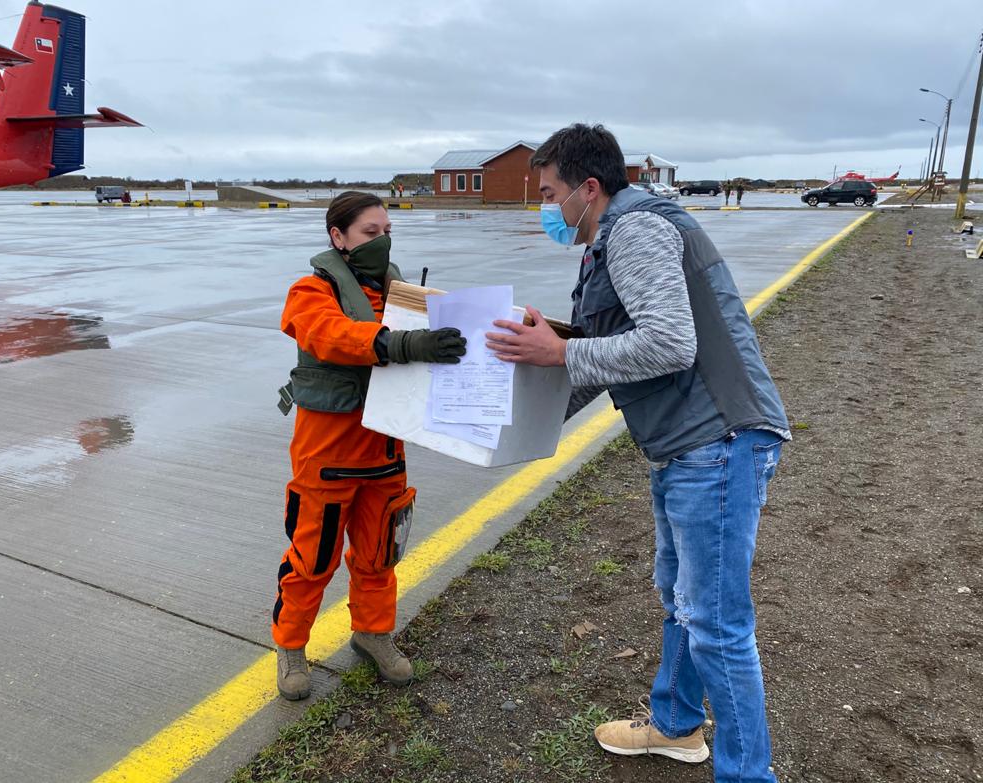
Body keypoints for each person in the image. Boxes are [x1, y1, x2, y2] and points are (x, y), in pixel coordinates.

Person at [485, 124, 789, 783]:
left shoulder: (636, 230)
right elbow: (604, 367)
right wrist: (503, 421)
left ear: (587, 188)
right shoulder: (608, 242)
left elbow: (669, 344)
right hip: (687, 446)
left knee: (717, 624)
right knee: (682, 598)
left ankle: (747, 773)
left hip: (719, 443)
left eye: (547, 192)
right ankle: (676, 726)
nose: (543, 206)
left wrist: (559, 350)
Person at [272, 191, 466, 700]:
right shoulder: (309, 291)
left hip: (385, 456)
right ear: (338, 237)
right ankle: (291, 646)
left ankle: (372, 635)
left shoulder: (402, 296)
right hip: (327, 459)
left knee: (380, 557)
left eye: (387, 232)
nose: (382, 241)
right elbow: (329, 335)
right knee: (312, 560)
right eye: (369, 233)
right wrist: (396, 344)